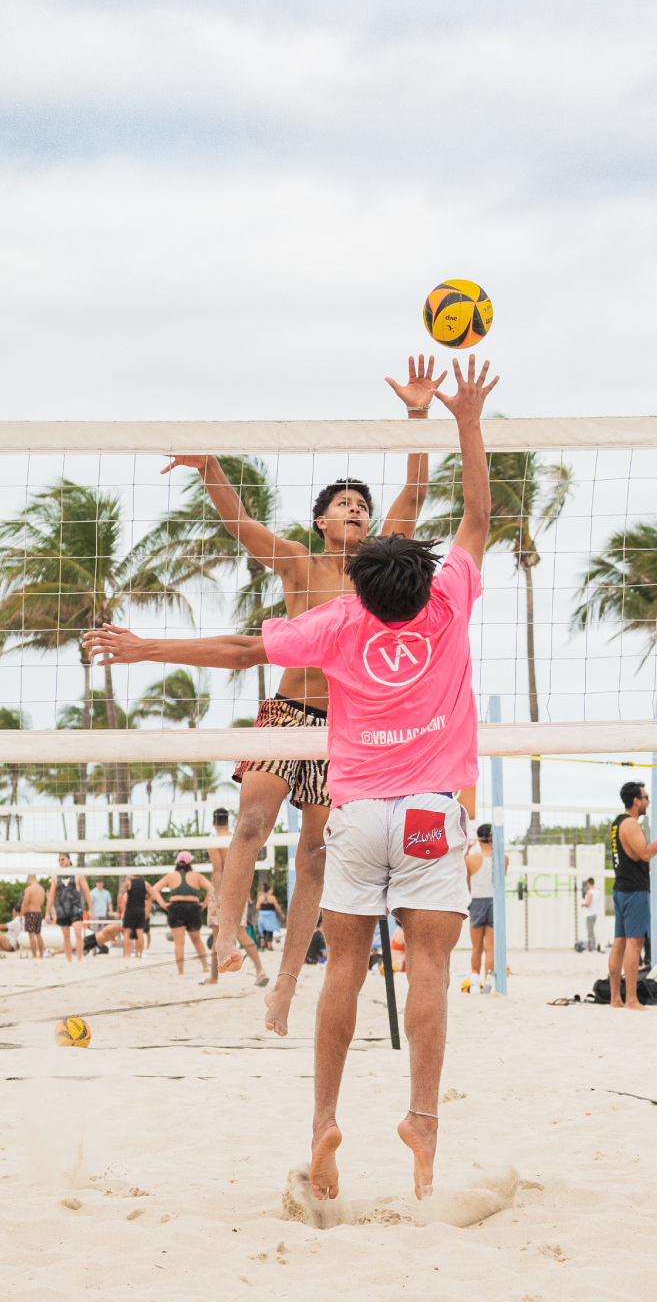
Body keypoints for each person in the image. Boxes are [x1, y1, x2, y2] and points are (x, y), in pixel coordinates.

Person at [85, 352, 499, 1203]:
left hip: (353, 793)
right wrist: (461, 419)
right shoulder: (432, 594)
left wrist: (141, 646)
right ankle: (418, 1116)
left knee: (334, 934)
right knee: (405, 950)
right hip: (406, 797)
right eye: (347, 507)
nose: (362, 514)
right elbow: (470, 520)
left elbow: (242, 647)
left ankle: (315, 1100)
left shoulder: (343, 614)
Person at [149, 357, 437, 1035]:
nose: (358, 510)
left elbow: (416, 497)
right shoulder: (300, 564)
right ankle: (224, 934)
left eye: (363, 505)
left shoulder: (376, 570)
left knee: (314, 857)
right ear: (320, 522)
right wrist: (210, 468)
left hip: (342, 729)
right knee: (251, 824)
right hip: (287, 714)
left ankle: (283, 989)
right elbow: (240, 528)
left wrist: (419, 418)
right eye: (344, 504)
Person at [609, 782, 657, 1010]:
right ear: (636, 800)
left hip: (621, 888)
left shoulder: (618, 823)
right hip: (633, 891)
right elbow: (644, 854)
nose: (648, 801)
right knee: (634, 943)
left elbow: (636, 853)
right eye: (645, 797)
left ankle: (615, 998)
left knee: (619, 943)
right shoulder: (630, 823)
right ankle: (630, 999)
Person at [205, 807, 268, 986]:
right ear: (227, 822)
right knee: (241, 933)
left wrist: (218, 894)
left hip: (221, 890)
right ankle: (259, 970)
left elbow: (218, 870)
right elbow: (244, 868)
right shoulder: (236, 839)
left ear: (213, 823)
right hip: (240, 889)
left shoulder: (213, 841)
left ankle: (214, 978)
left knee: (218, 936)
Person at [150, 853, 212, 976]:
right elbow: (211, 888)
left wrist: (163, 904)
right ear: (190, 863)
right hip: (193, 908)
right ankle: (205, 967)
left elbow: (155, 889)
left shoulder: (170, 876)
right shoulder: (197, 876)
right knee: (197, 940)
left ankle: (180, 971)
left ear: (177, 863)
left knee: (179, 943)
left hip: (176, 908)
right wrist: (205, 903)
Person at [47, 855, 93, 962]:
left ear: (69, 860)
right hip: (62, 908)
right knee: (66, 937)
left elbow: (86, 891)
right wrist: (47, 912)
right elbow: (51, 895)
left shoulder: (77, 873)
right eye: (59, 860)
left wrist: (90, 908)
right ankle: (69, 960)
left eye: (63, 859)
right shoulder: (56, 876)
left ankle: (79, 959)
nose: (61, 862)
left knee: (78, 934)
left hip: (75, 907)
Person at [465, 823, 494, 985]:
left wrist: (468, 849)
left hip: (477, 901)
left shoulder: (470, 859)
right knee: (490, 947)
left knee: (477, 947)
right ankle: (489, 979)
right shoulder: (503, 858)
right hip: (494, 902)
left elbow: (467, 884)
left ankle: (475, 977)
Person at [117, 875, 153, 958]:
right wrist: (145, 898)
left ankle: (127, 954)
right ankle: (139, 954)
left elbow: (120, 895)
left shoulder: (128, 883)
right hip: (141, 910)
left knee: (126, 933)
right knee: (140, 933)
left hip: (130, 910)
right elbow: (151, 895)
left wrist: (118, 908)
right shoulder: (146, 884)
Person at [21, 876, 46, 958]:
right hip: (38, 912)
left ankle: (34, 954)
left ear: (29, 879)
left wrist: (21, 914)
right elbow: (42, 902)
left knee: (31, 935)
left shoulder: (28, 889)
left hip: (30, 912)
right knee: (38, 934)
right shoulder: (41, 889)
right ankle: (41, 954)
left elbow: (25, 901)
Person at [256, 882, 285, 951]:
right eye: (271, 890)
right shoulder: (272, 898)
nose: (272, 891)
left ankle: (262, 946)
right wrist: (282, 914)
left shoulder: (261, 898)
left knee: (262, 930)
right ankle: (269, 947)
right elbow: (277, 907)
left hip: (262, 915)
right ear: (268, 890)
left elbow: (257, 906)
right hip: (270, 915)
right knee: (270, 930)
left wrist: (261, 911)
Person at [581, 877, 598, 951]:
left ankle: (592, 947)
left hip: (590, 914)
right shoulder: (597, 891)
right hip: (594, 912)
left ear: (588, 883)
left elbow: (588, 903)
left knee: (590, 932)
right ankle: (591, 946)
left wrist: (583, 905)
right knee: (591, 931)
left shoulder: (590, 892)